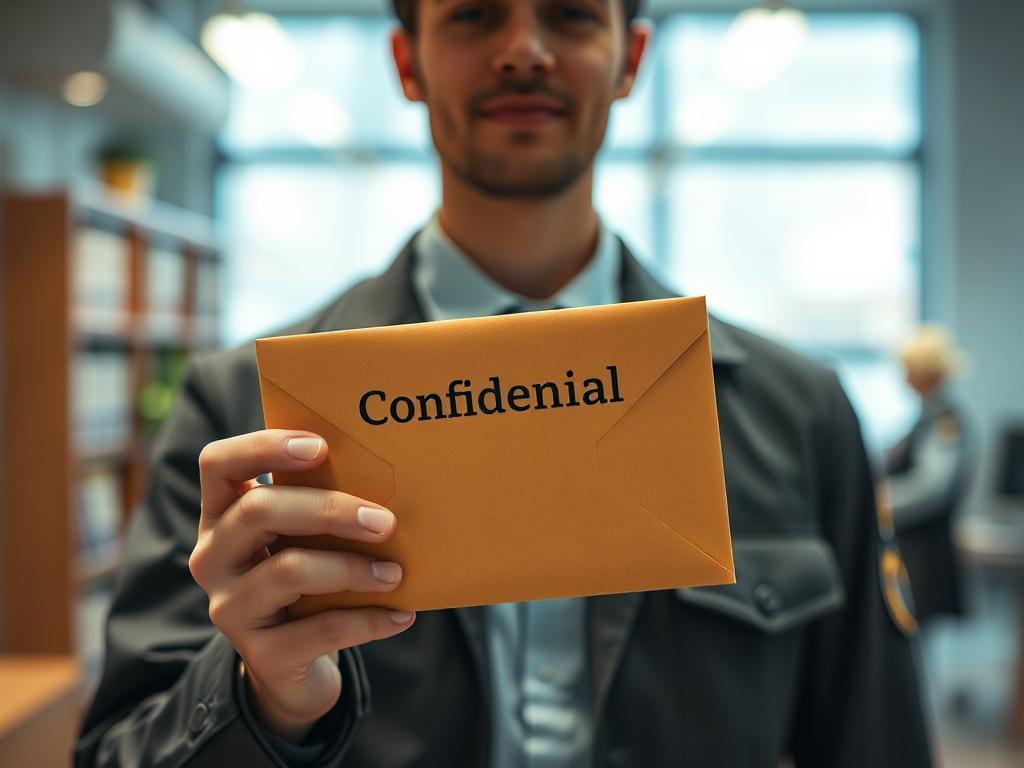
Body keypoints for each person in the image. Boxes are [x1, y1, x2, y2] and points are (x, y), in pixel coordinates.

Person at [75, 0, 933, 765]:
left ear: (630, 60)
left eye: (568, 15)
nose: (524, 50)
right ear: (406, 63)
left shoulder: (799, 414)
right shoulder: (245, 416)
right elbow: (115, 751)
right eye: (477, 15)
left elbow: (876, 738)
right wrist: (263, 699)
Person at [883, 325, 972, 625]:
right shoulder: (924, 419)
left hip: (925, 551)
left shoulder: (945, 421)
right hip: (912, 548)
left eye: (909, 369)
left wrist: (878, 503)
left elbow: (931, 487)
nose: (904, 376)